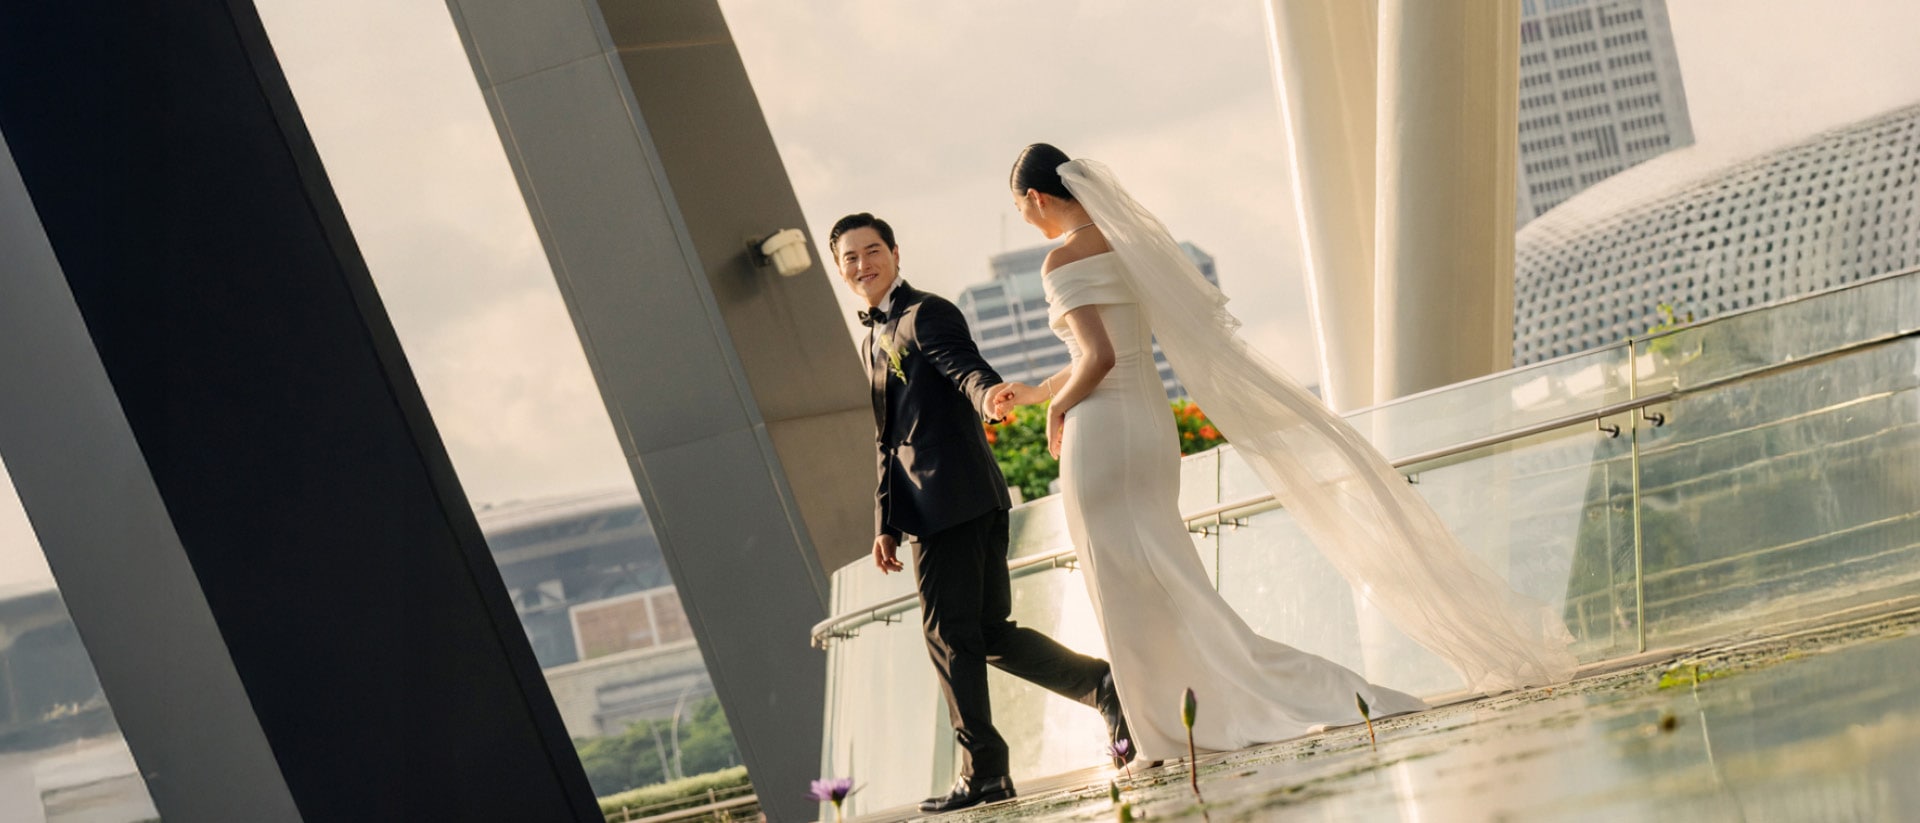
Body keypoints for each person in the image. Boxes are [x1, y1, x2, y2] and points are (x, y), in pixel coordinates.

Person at [991, 145, 1577, 761]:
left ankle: (1171, 724)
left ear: (1035, 199)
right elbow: (1113, 355)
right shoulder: (1126, 244)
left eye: (1021, 209)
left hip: (1103, 439)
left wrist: (1056, 407)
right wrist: (1040, 393)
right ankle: (1193, 713)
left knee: (1127, 591)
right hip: (1147, 425)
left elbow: (1098, 360)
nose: (1029, 221)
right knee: (1175, 583)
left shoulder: (1061, 258)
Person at [829, 212, 1131, 812]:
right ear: (842, 271)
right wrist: (885, 522)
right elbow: (888, 438)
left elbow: (962, 366)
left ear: (894, 251)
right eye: (850, 259)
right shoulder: (871, 336)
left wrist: (990, 395)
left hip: (951, 502)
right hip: (954, 503)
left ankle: (984, 773)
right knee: (987, 633)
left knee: (947, 637)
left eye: (872, 251)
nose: (863, 265)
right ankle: (1100, 684)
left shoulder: (925, 313)